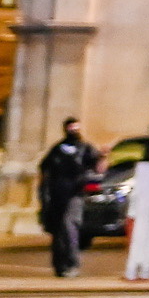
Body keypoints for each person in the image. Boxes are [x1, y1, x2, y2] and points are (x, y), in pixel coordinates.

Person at [37, 119, 103, 278]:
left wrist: (102, 158)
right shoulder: (58, 150)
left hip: (75, 194)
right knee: (58, 231)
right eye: (71, 127)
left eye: (76, 127)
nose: (74, 130)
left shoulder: (85, 148)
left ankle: (72, 263)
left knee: (70, 227)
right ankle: (60, 265)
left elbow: (97, 167)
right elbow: (44, 169)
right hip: (57, 196)